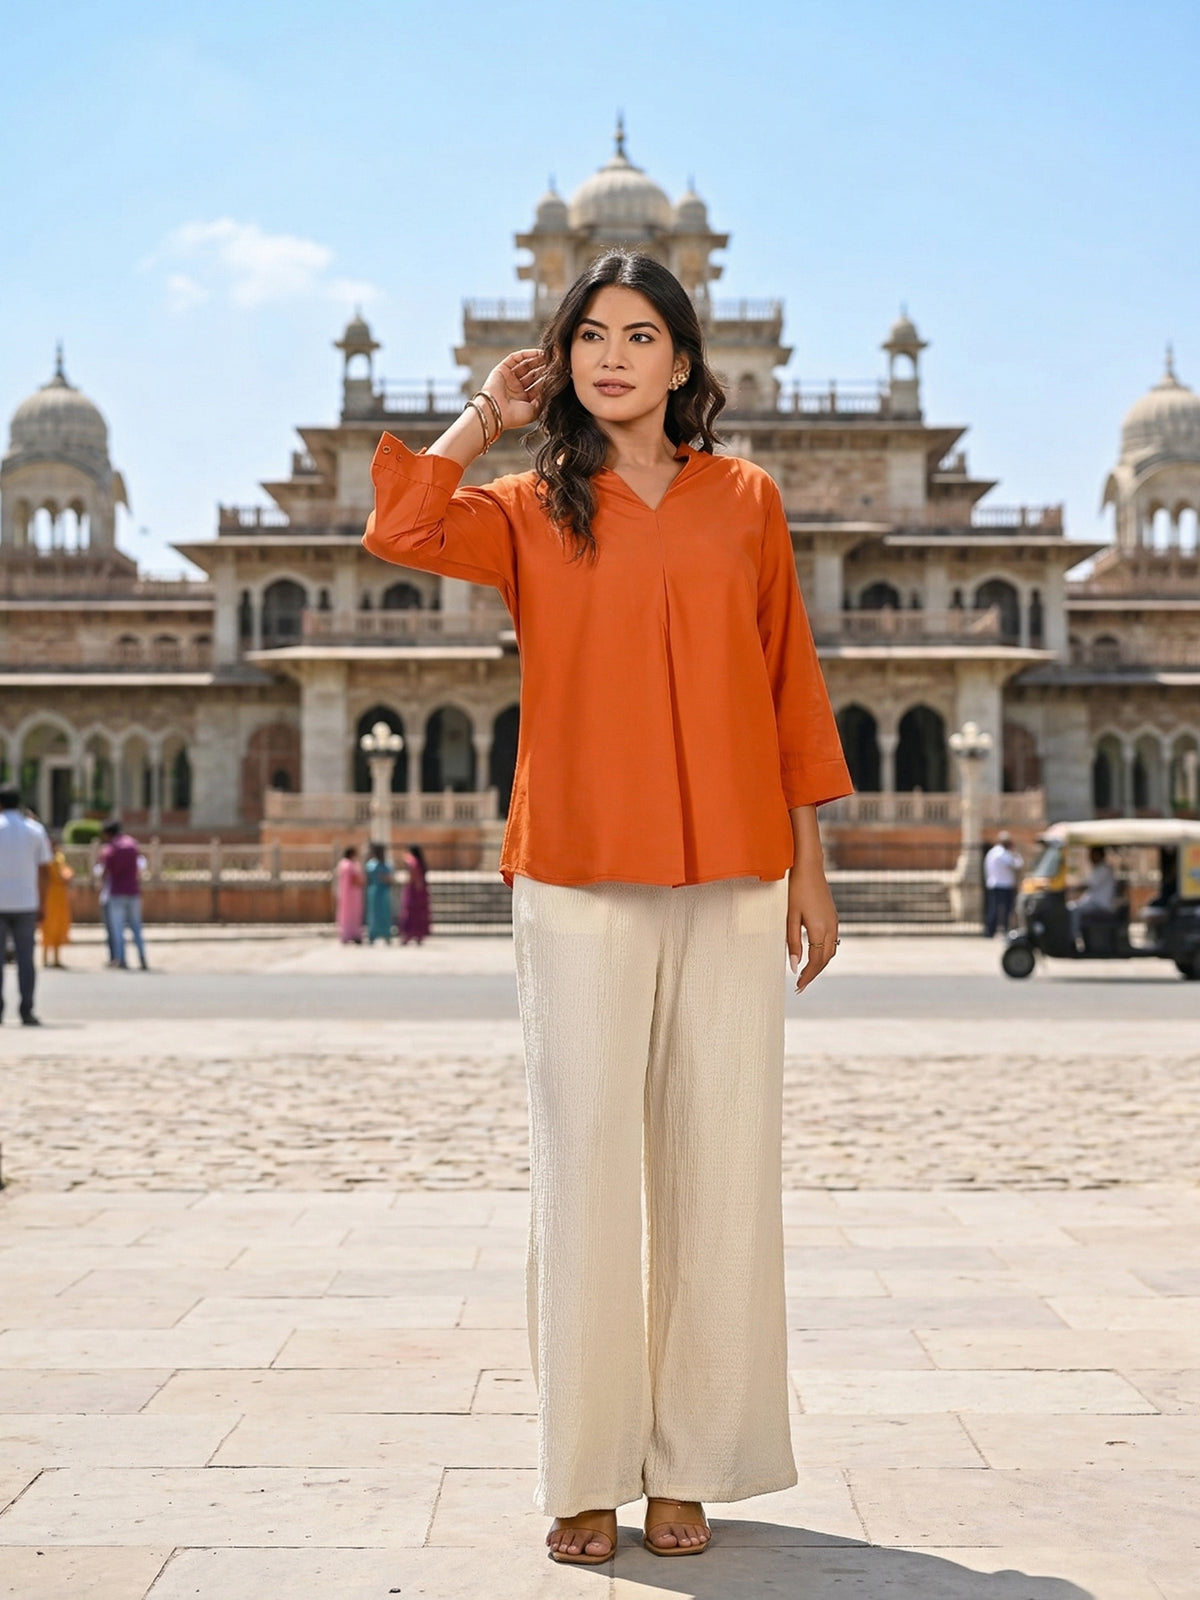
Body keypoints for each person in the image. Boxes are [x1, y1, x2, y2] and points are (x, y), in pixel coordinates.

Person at [364, 249, 852, 1565]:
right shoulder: (533, 507)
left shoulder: (745, 500)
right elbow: (401, 527)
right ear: (562, 360)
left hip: (736, 870)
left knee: (719, 1167)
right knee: (583, 1170)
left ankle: (690, 1462)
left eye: (642, 335)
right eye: (590, 336)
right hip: (577, 871)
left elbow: (789, 681)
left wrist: (810, 864)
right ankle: (584, 1467)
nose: (615, 357)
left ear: (685, 362)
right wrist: (487, 415)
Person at [0, 783, 52, 1025]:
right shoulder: (34, 830)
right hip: (26, 901)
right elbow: (45, 871)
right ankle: (26, 1009)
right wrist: (43, 903)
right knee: (25, 959)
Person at [98, 820, 149, 970]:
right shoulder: (132, 844)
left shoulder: (111, 848)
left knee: (118, 929)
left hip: (116, 892)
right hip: (133, 891)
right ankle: (142, 957)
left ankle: (121, 959)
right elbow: (139, 866)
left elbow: (105, 870)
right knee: (136, 927)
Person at [1069, 844, 1117, 948]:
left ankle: (1073, 939)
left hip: (1100, 905)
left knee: (1074, 910)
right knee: (1071, 907)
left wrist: (1070, 888)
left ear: (1098, 855)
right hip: (1094, 903)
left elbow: (1088, 885)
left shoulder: (1104, 869)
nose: (1089, 858)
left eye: (1092, 855)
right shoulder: (1098, 869)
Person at [40, 836, 74, 967]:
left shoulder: (60, 858)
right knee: (47, 926)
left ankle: (56, 959)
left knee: (60, 926)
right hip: (49, 895)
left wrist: (68, 875)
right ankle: (44, 958)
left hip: (60, 896)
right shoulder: (44, 859)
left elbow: (65, 871)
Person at [983, 830, 1024, 938]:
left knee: (994, 909)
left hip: (994, 884)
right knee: (1005, 910)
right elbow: (1018, 864)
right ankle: (1004, 931)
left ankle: (990, 931)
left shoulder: (991, 853)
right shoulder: (1003, 853)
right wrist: (1015, 853)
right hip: (1004, 885)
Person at [398, 843, 431, 945]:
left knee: (410, 912)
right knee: (419, 913)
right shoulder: (421, 862)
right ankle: (418, 935)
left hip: (413, 890)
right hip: (421, 891)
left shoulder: (412, 861)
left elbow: (413, 874)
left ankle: (408, 935)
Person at [363, 842, 394, 944]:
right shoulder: (371, 864)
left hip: (383, 892)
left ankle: (385, 934)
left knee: (384, 913)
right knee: (373, 914)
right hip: (375, 892)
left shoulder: (387, 864)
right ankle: (373, 934)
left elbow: (390, 880)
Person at [335, 845, 365, 943]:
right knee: (353, 915)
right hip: (352, 894)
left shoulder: (342, 864)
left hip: (345, 894)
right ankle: (353, 935)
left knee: (345, 914)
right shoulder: (351, 865)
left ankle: (346, 935)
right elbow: (355, 879)